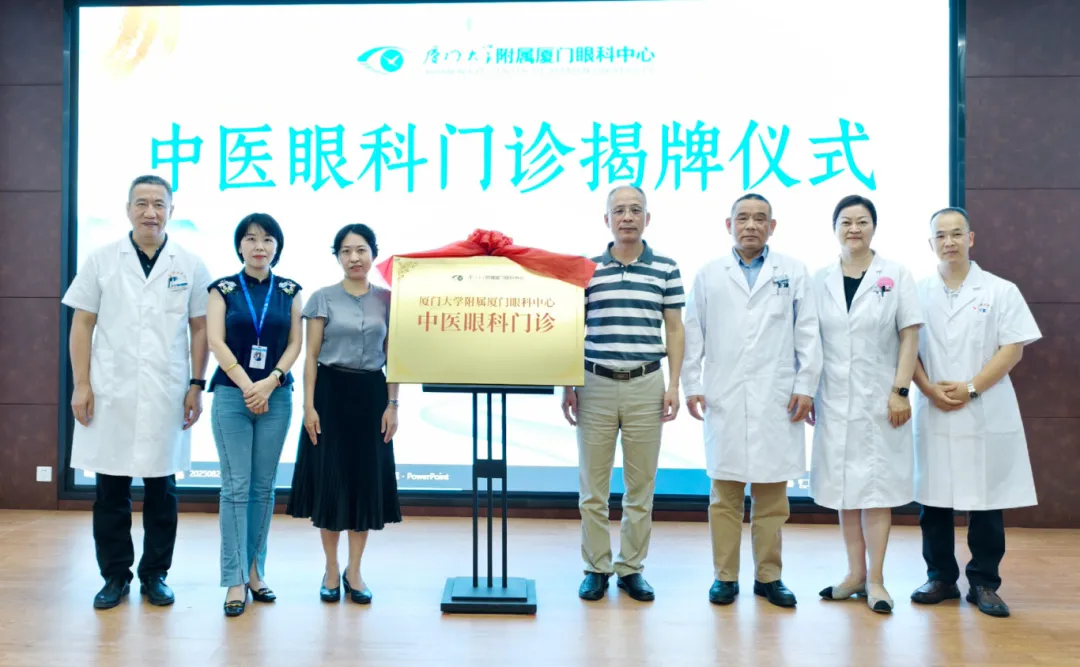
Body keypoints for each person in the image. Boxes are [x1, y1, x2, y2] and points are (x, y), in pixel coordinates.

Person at [62, 174, 211, 610]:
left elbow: (200, 328)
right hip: (111, 390)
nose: (150, 212)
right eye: (142, 203)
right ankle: (115, 576)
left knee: (162, 491)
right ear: (128, 209)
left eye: (159, 204)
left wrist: (196, 384)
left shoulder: (189, 263)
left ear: (171, 211)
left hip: (167, 391)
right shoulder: (101, 260)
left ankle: (155, 575)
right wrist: (82, 383)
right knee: (111, 491)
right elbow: (82, 324)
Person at [682, 192, 821, 608]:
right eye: (742, 218)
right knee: (724, 497)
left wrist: (806, 385)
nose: (751, 225)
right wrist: (692, 384)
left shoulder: (793, 272)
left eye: (760, 218)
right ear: (729, 225)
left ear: (772, 227)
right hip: (724, 396)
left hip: (777, 397)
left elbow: (808, 333)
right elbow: (693, 333)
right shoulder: (709, 274)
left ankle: (769, 576)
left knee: (772, 499)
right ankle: (725, 576)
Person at [910, 207, 1041, 618]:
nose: (948, 242)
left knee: (985, 501)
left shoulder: (1000, 290)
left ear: (970, 238)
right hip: (933, 405)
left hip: (984, 407)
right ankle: (940, 578)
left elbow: (1012, 348)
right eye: (940, 235)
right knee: (933, 501)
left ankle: (984, 582)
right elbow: (906, 348)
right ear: (930, 243)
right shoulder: (915, 292)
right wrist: (928, 388)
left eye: (956, 233)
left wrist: (971, 388)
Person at [560, 185, 684, 603]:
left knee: (640, 488)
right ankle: (596, 567)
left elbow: (674, 329)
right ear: (606, 219)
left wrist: (674, 384)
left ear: (648, 218)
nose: (627, 217)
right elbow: (572, 329)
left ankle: (631, 568)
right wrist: (567, 383)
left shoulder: (666, 268)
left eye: (635, 210)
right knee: (592, 488)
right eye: (619, 211)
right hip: (593, 384)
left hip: (646, 384)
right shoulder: (588, 269)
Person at [808, 195, 923, 614]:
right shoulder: (819, 279)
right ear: (834, 228)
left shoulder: (896, 274)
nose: (853, 229)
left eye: (862, 221)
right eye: (846, 222)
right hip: (834, 399)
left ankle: (876, 580)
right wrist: (809, 390)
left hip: (882, 401)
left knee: (876, 491)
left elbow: (910, 335)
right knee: (845, 491)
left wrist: (900, 390)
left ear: (874, 227)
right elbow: (810, 341)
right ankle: (854, 574)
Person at [286, 223, 401, 605]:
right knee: (331, 482)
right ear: (337, 256)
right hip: (331, 396)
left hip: (372, 396)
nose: (354, 258)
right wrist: (309, 406)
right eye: (346, 251)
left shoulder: (388, 300)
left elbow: (395, 357)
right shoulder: (322, 298)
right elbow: (311, 357)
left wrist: (393, 405)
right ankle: (331, 569)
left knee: (364, 484)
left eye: (361, 250)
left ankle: (355, 571)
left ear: (373, 254)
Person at [205, 213, 303, 617]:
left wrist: (270, 382)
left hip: (276, 397)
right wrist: (249, 385)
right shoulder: (222, 289)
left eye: (267, 239)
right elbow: (215, 341)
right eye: (250, 238)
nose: (259, 246)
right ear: (239, 246)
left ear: (277, 246)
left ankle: (255, 572)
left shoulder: (290, 290)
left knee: (263, 488)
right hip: (233, 396)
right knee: (235, 487)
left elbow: (295, 343)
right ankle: (233, 579)